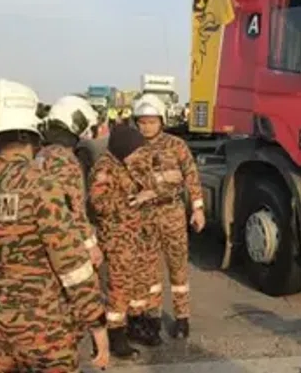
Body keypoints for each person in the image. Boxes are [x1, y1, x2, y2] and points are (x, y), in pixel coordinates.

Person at [0, 78, 109, 371]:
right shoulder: (43, 188)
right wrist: (97, 326)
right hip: (45, 333)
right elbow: (73, 268)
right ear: (32, 131)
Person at [133, 94, 205, 339]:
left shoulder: (177, 145)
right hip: (145, 216)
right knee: (149, 270)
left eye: (151, 121)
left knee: (178, 269)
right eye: (142, 122)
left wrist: (197, 208)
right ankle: (153, 317)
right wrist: (163, 180)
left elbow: (190, 176)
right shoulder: (132, 149)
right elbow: (133, 182)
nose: (147, 127)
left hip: (172, 213)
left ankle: (182, 318)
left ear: (161, 121)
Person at [88, 124, 162, 355]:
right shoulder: (104, 169)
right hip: (117, 239)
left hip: (136, 237)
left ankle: (135, 327)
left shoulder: (126, 164)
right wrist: (134, 199)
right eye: (135, 150)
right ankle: (116, 336)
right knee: (118, 289)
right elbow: (99, 205)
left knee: (137, 286)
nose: (138, 154)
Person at [36, 95, 104, 271]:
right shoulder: (65, 159)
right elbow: (75, 209)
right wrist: (91, 245)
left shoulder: (40, 153)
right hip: (62, 240)